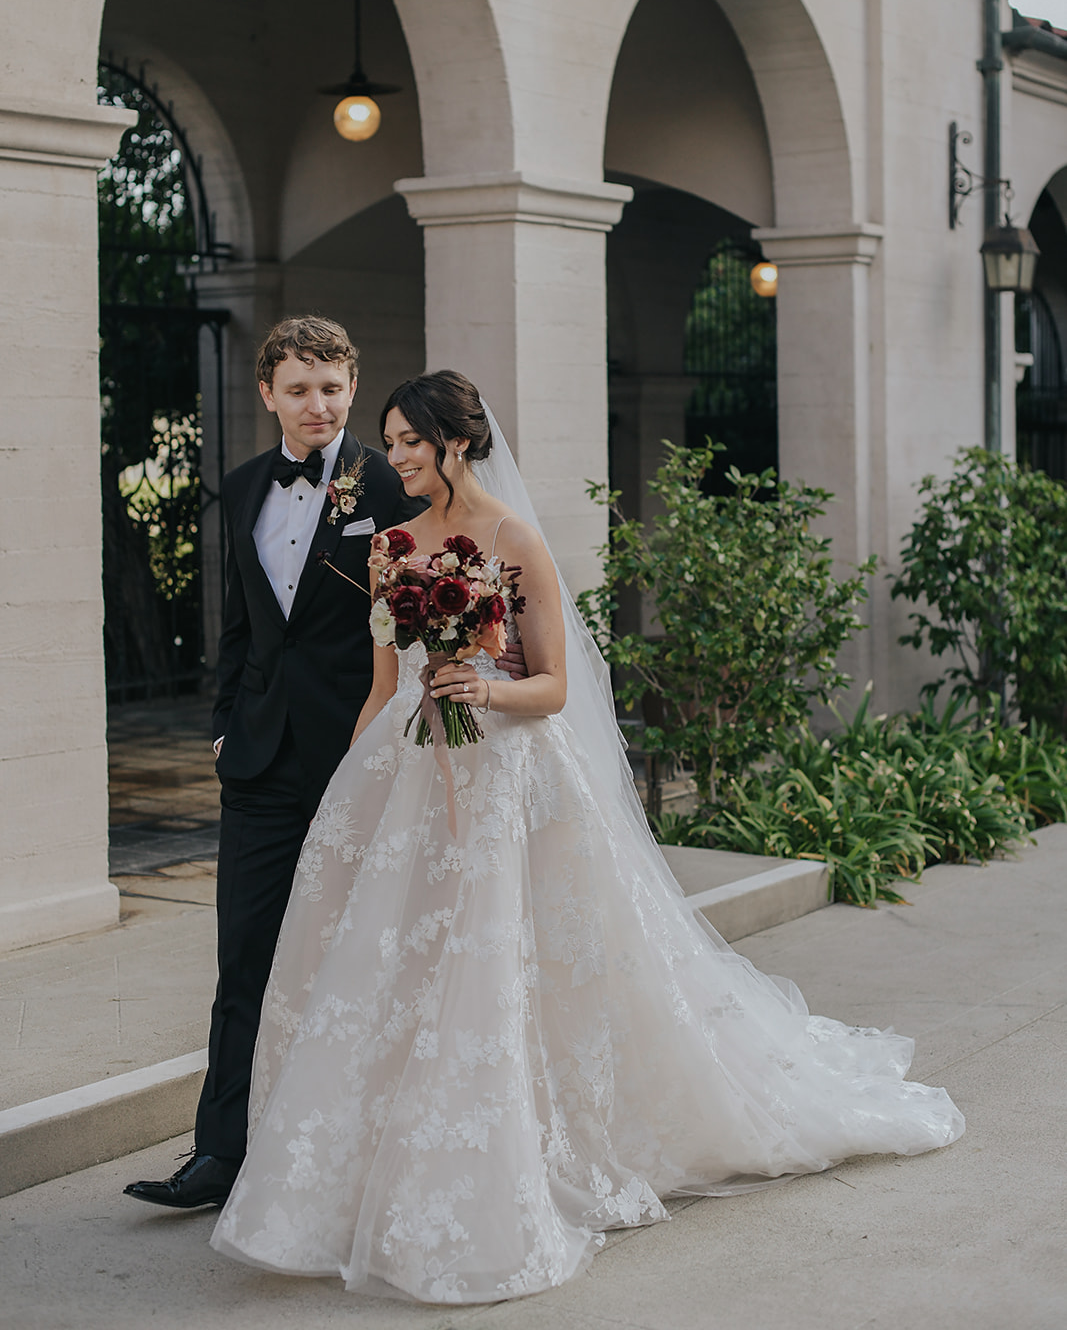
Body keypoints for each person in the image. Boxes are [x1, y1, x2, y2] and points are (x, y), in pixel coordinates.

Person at [210, 370, 964, 1303]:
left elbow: (553, 689)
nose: (394, 457)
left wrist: (479, 687)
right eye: (391, 441)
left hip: (505, 778)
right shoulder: (390, 543)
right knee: (393, 968)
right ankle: (365, 1170)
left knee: (498, 969)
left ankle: (504, 1162)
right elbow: (380, 684)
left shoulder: (514, 539)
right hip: (406, 775)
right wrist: (348, 792)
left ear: (456, 444)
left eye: (409, 441)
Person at [124, 323, 519, 1211]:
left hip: (370, 762)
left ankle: (344, 1152)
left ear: (353, 388)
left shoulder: (398, 480)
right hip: (261, 764)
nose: (320, 406)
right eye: (300, 389)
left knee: (360, 958)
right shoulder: (238, 490)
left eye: (334, 388)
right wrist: (226, 732)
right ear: (267, 392)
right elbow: (242, 632)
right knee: (248, 960)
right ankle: (221, 1153)